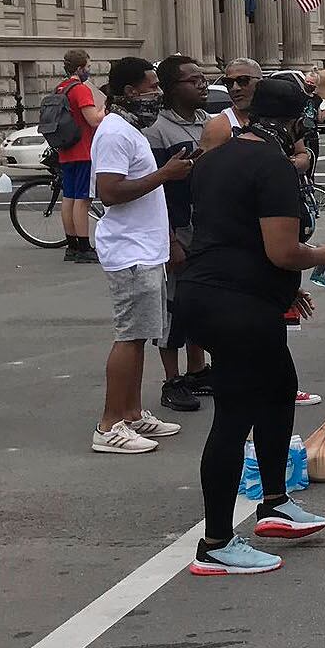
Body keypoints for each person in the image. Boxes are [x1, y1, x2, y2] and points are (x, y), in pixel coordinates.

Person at [181, 77, 325, 575]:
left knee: (279, 388)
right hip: (236, 302)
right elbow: (282, 250)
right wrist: (323, 255)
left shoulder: (215, 158)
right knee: (234, 417)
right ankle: (216, 543)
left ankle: (275, 502)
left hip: (211, 291)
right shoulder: (273, 165)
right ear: (297, 120)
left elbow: (231, 231)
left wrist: (283, 289)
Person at [89, 57, 193, 454]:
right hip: (129, 251)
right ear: (130, 92)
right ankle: (109, 424)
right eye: (152, 87)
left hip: (144, 249)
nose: (158, 94)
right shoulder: (115, 132)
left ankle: (131, 414)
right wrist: (165, 174)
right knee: (129, 337)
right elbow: (109, 191)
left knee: (141, 335)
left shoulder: (129, 130)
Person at [144, 55, 212, 413]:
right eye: (193, 80)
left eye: (203, 78)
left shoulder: (209, 123)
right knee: (173, 304)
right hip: (176, 227)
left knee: (199, 301)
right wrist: (169, 239)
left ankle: (197, 370)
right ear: (172, 88)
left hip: (206, 227)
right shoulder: (156, 131)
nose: (202, 84)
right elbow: (157, 190)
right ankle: (172, 381)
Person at [54, 49, 101, 262]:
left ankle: (71, 245)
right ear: (80, 68)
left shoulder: (61, 88)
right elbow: (93, 120)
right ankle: (84, 247)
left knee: (69, 199)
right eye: (88, 67)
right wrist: (105, 110)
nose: (89, 71)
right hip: (83, 150)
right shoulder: (81, 89)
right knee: (83, 200)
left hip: (66, 149)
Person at [200, 57, 261, 152]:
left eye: (243, 80)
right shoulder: (218, 127)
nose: (235, 88)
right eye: (229, 82)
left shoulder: (276, 117)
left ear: (260, 82)